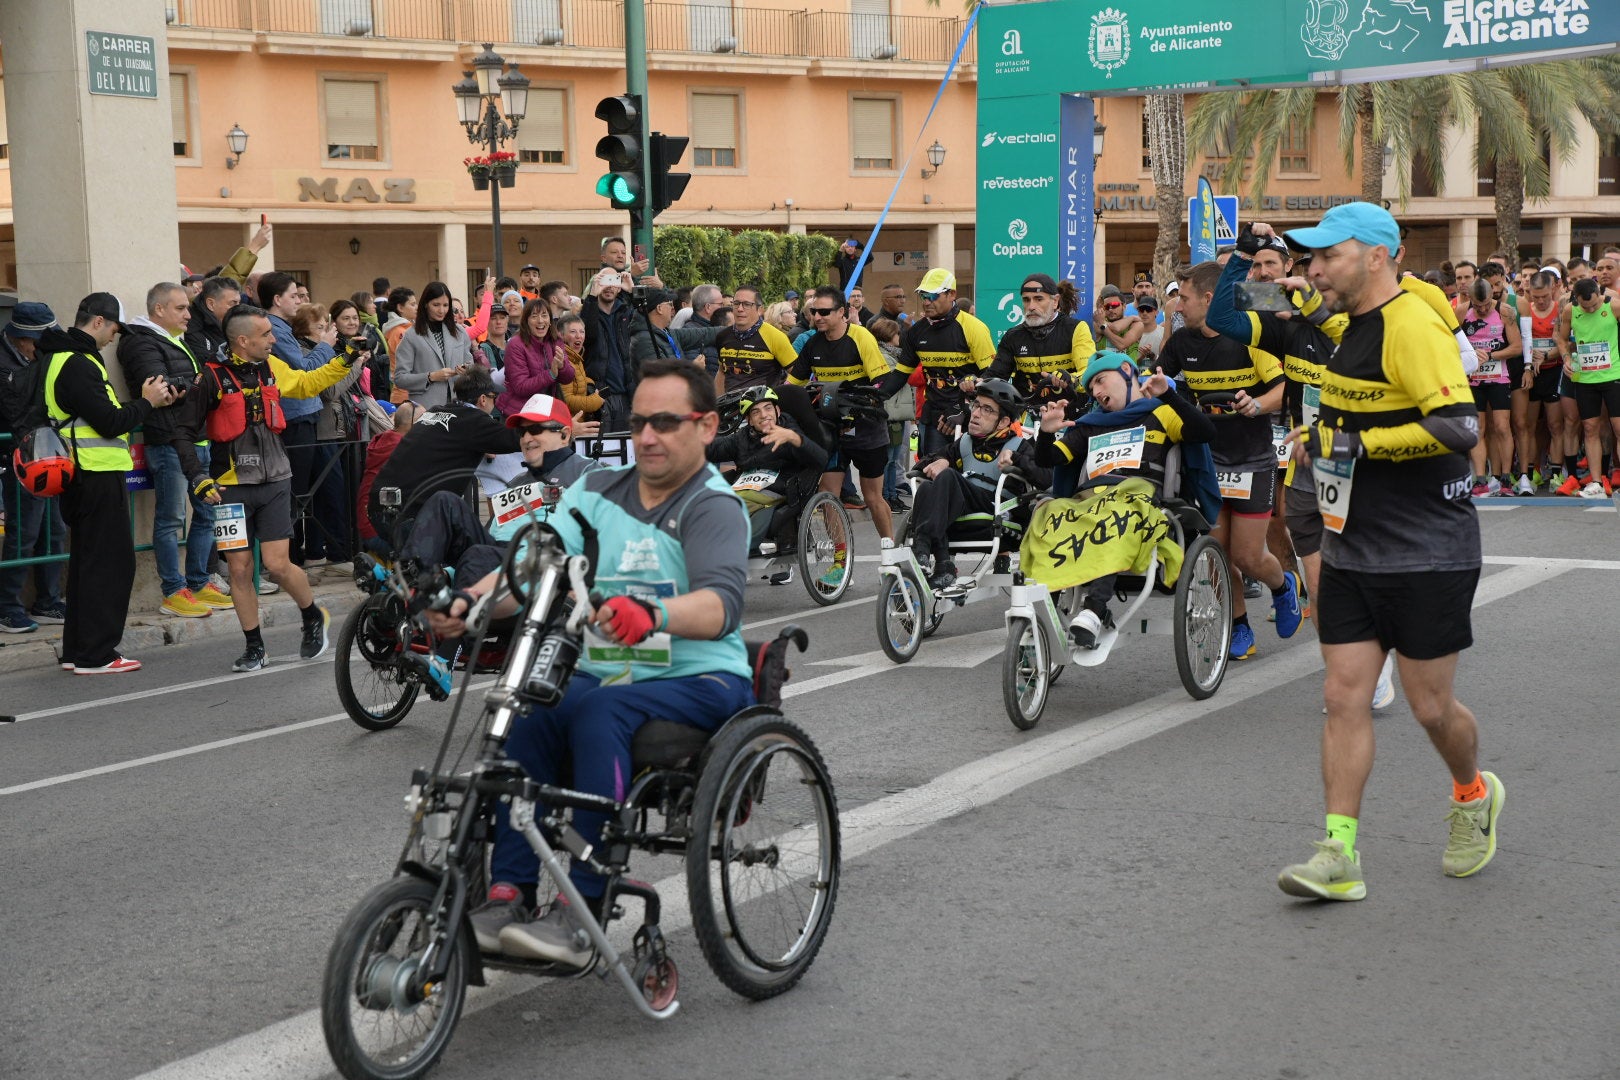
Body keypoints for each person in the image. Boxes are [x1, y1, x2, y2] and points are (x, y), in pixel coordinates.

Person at [432, 358, 754, 964]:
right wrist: (467, 603)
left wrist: (653, 615)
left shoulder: (713, 504)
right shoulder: (597, 490)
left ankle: (581, 907)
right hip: (613, 666)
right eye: (638, 423)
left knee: (600, 711)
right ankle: (507, 891)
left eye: (665, 422)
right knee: (528, 707)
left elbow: (721, 605)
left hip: (699, 674)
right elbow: (535, 567)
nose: (647, 436)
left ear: (706, 426)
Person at [1276, 202, 1499, 902]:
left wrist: (1356, 446)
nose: (1313, 268)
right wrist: (1319, 444)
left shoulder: (1412, 327)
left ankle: (1472, 794)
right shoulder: (1354, 325)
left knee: (1431, 709)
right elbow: (1346, 367)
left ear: (1376, 255)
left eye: (1327, 256)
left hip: (1428, 549)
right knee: (1343, 694)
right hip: (1352, 545)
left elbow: (1460, 425)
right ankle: (1337, 852)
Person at [1157, 260, 1301, 661]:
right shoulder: (1181, 343)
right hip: (1208, 463)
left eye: (1183, 299)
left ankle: (1283, 586)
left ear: (1208, 299)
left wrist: (1256, 404)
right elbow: (1155, 383)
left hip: (1253, 461)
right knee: (1215, 555)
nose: (1177, 307)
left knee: (1248, 556)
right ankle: (1239, 627)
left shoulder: (1247, 336)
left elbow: (1282, 386)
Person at [200, 305, 358, 671]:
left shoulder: (273, 367)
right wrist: (197, 476)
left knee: (276, 564)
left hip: (275, 480)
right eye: (267, 334)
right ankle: (254, 646)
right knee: (239, 569)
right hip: (229, 486)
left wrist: (344, 359)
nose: (274, 339)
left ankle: (312, 616)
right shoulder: (209, 376)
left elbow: (305, 384)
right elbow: (186, 427)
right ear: (243, 340)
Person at [1024, 351, 1216, 646]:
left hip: (1138, 499)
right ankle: (1043, 613)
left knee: (1117, 508)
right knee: (1046, 511)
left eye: (1100, 380)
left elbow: (1205, 431)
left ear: (1127, 370)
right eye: (1091, 389)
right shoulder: (1091, 423)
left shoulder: (1162, 412)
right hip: (1090, 501)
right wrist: (1047, 433)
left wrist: (1171, 397)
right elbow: (1050, 459)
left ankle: (1095, 607)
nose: (1097, 392)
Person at [42, 294, 177, 672]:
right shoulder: (79, 363)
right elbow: (111, 422)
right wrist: (147, 401)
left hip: (79, 475)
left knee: (88, 565)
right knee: (110, 567)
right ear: (99, 321)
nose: (116, 335)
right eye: (115, 327)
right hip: (95, 475)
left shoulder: (58, 358)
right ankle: (97, 655)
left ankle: (78, 652)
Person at [397, 393, 600, 598]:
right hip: (499, 561)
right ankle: (413, 587)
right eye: (521, 432)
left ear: (565, 435)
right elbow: (491, 541)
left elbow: (610, 532)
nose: (526, 438)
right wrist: (447, 574)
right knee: (444, 501)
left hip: (546, 569)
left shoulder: (589, 472)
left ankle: (453, 615)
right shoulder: (515, 483)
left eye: (535, 429)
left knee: (477, 556)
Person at [118, 282, 232, 618]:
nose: (189, 314)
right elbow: (161, 389)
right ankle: (172, 591)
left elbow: (192, 384)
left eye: (188, 307)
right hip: (168, 442)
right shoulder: (140, 341)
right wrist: (195, 385)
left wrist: (192, 387)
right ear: (159, 310)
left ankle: (197, 583)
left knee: (207, 513)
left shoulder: (177, 340)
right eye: (181, 308)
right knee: (171, 519)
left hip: (198, 439)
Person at [909, 380, 1050, 590]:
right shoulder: (964, 443)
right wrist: (942, 459)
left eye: (986, 410)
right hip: (961, 512)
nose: (975, 414)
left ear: (1003, 422)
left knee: (947, 477)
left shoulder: (1020, 446)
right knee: (927, 487)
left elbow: (1047, 478)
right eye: (976, 406)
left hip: (999, 511)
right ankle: (943, 566)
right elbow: (922, 464)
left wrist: (1017, 460)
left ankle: (922, 551)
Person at [787, 284, 897, 547]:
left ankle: (891, 554)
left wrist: (857, 398)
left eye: (824, 312)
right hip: (831, 427)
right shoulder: (812, 342)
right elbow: (793, 385)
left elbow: (882, 382)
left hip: (866, 428)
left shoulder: (861, 337)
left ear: (842, 313)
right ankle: (840, 560)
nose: (817, 317)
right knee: (828, 493)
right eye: (814, 311)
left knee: (872, 497)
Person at [367, 368, 522, 542]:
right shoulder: (474, 421)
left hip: (380, 506)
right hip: (413, 515)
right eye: (495, 398)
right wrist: (548, 429)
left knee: (415, 561)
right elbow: (517, 439)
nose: (496, 403)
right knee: (473, 551)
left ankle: (382, 570)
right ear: (483, 399)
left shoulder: (435, 411)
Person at [0, 302, 67, 633]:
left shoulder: (43, 356)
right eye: (38, 340)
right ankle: (8, 607)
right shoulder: (3, 363)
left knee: (55, 530)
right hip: (16, 459)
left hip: (48, 453)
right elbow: (16, 414)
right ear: (19, 337)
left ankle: (48, 600)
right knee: (23, 533)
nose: (42, 346)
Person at [706, 385, 828, 561]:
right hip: (742, 490)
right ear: (748, 419)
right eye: (755, 412)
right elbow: (712, 449)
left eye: (768, 408)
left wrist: (795, 439)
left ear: (777, 410)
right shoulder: (742, 437)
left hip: (778, 490)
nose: (764, 415)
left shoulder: (788, 432)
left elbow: (820, 459)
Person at [884, 268, 996, 458]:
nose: (927, 301)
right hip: (935, 416)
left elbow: (993, 376)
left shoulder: (974, 328)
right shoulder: (916, 332)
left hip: (970, 414)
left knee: (969, 479)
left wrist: (963, 407)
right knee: (933, 476)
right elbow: (901, 374)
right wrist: (876, 397)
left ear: (952, 294)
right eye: (923, 295)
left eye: (933, 295)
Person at [1555, 276, 1620, 497]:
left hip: (1613, 375)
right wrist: (1566, 358)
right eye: (1586, 306)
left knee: (1618, 428)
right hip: (1585, 378)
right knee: (1590, 429)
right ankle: (1596, 482)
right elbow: (1562, 339)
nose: (1590, 309)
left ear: (1598, 294)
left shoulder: (1613, 305)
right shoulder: (1570, 311)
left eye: (1593, 304)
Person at [1459, 278, 1521, 497]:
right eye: (1478, 306)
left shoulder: (1505, 311)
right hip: (1472, 380)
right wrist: (1468, 359)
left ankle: (1505, 478)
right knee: (1478, 429)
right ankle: (1480, 480)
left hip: (1499, 377)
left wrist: (1490, 355)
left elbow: (1516, 347)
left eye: (1486, 304)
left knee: (1502, 427)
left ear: (1492, 297)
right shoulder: (1461, 312)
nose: (1483, 309)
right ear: (1469, 299)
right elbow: (1449, 344)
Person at [393, 281, 480, 410]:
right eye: (436, 305)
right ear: (425, 304)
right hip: (426, 409)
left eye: (445, 305)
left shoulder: (459, 332)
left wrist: (466, 370)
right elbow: (400, 378)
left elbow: (471, 366)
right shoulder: (411, 335)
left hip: (458, 406)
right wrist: (430, 377)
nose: (441, 310)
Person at [357, 400, 419, 553]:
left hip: (368, 525)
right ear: (414, 424)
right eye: (425, 420)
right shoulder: (403, 448)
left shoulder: (387, 438)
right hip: (379, 532)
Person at [627, 288, 725, 384]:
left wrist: (734, 328)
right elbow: (660, 379)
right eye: (669, 304)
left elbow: (703, 334)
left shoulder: (667, 333)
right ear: (659, 308)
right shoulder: (644, 340)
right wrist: (692, 370)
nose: (673, 309)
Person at [715, 282, 797, 393]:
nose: (740, 309)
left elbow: (798, 373)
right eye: (736, 303)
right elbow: (722, 372)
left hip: (762, 407)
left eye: (747, 304)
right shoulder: (723, 336)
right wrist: (718, 405)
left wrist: (781, 395)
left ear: (760, 310)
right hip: (731, 406)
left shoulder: (776, 337)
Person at [499, 299, 572, 419]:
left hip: (547, 409)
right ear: (526, 321)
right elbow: (521, 387)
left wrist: (562, 366)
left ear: (550, 320)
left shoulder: (555, 340)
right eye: (534, 316)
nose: (540, 321)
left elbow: (568, 378)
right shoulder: (515, 344)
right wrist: (551, 374)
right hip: (519, 412)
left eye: (544, 315)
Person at [580, 268, 634, 432]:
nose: (609, 287)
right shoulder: (589, 310)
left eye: (614, 281)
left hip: (627, 392)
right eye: (605, 281)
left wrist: (632, 293)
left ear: (619, 287)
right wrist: (591, 297)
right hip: (600, 392)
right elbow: (586, 335)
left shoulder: (627, 311)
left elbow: (646, 322)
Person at [552, 313, 603, 419]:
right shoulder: (562, 359)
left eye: (582, 332)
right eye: (573, 332)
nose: (579, 336)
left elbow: (575, 381)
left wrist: (587, 381)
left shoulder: (576, 358)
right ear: (561, 335)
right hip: (567, 425)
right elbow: (566, 399)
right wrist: (595, 401)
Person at [1094, 284, 1144, 359]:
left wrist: (1103, 326)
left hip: (1127, 370)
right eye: (1107, 307)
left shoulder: (1137, 324)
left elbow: (1122, 345)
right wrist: (1132, 317)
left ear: (1124, 306)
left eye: (1114, 305)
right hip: (1105, 370)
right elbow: (1116, 328)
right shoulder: (1097, 323)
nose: (1110, 309)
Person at [684, 284, 725, 376]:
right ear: (708, 307)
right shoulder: (691, 333)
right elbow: (695, 373)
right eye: (720, 304)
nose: (723, 308)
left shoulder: (713, 328)